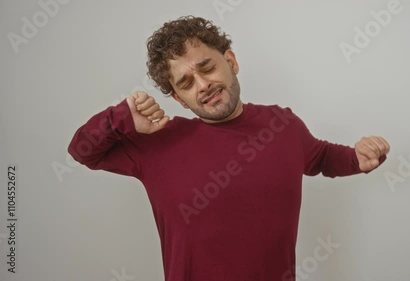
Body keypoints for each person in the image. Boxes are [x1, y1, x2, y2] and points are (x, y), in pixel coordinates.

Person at [68, 15, 390, 281]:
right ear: (179, 99)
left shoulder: (282, 124)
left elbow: (321, 157)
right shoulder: (156, 141)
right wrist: (121, 118)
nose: (203, 84)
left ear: (231, 61)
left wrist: (355, 158)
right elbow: (82, 150)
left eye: (206, 68)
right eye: (186, 82)